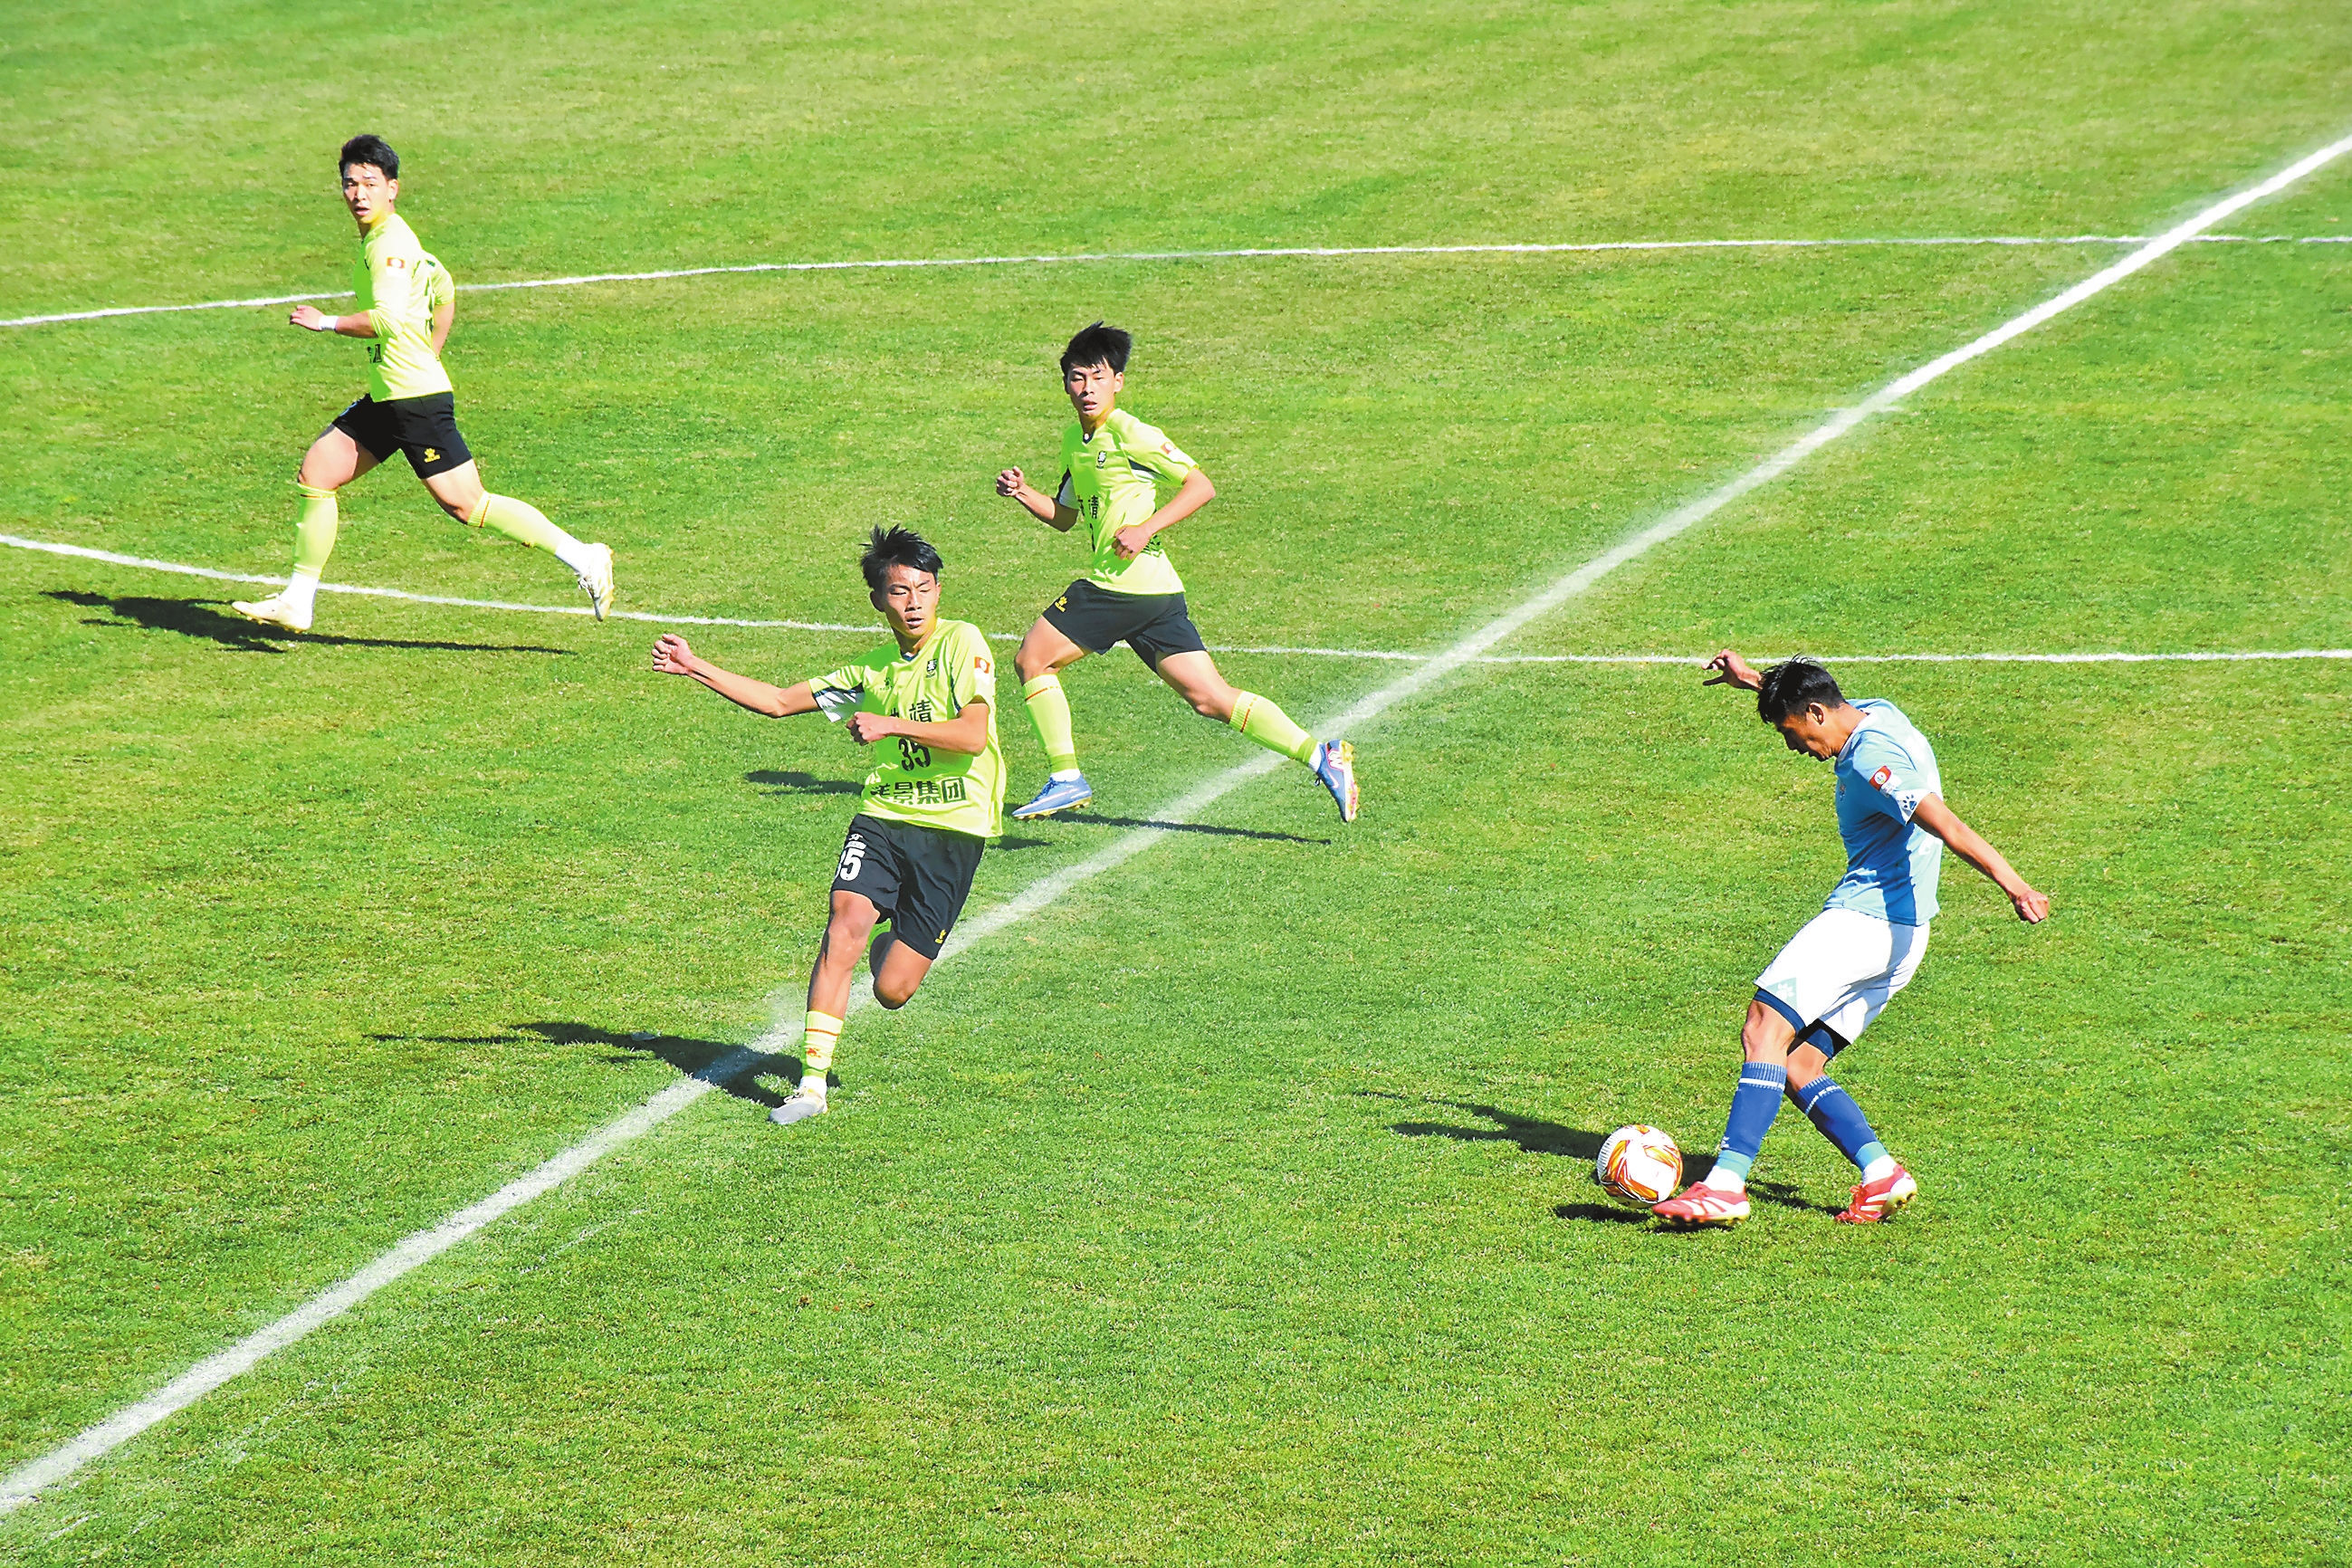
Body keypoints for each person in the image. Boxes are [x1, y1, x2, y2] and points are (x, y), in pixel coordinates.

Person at [1652, 653, 2051, 1228]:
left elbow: (1946, 823)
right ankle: (1881, 1172)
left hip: (1864, 924)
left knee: (1764, 1027)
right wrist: (1757, 682)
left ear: (1816, 714)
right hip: (1907, 938)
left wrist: (2015, 885)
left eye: (1791, 733)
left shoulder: (1870, 760)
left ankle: (1725, 1185)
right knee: (1798, 1064)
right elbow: (1812, 697)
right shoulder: (1877, 713)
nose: (1793, 747)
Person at [650, 526, 1004, 1127]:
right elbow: (777, 701)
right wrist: (694, 666)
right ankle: (811, 1086)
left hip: (954, 828)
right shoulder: (871, 670)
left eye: (923, 589)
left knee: (893, 989)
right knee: (843, 923)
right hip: (884, 818)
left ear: (939, 592)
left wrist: (890, 725)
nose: (913, 602)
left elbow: (972, 735)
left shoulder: (961, 642)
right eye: (900, 591)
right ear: (878, 599)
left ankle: (891, 949)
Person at [234, 134, 614, 634]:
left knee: (469, 505)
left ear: (392, 188)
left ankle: (585, 557)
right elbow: (444, 287)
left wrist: (325, 322)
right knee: (318, 473)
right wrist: (430, 352)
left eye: (370, 183)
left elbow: (386, 319)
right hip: (392, 394)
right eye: (350, 183)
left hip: (413, 400)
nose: (358, 193)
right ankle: (297, 601)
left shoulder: (389, 244)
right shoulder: (392, 240)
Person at [992, 321, 1357, 822]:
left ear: (1118, 381)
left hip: (1122, 583)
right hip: (1156, 591)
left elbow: (1200, 486)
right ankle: (1322, 756)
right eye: (1078, 377)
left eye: (1098, 377)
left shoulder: (1132, 432)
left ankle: (1066, 776)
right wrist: (1021, 492)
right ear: (1065, 384)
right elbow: (1065, 517)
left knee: (1033, 660)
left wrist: (1145, 528)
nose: (1087, 388)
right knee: (1210, 699)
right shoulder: (1075, 440)